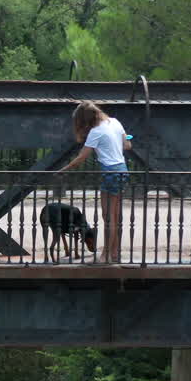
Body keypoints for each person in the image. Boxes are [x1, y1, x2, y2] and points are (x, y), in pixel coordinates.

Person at [59, 102, 129, 263]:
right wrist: (120, 138)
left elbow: (81, 158)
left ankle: (105, 256)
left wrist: (62, 170)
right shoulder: (115, 121)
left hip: (110, 172)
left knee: (108, 217)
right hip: (123, 170)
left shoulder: (95, 132)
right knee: (115, 216)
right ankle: (115, 253)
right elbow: (127, 143)